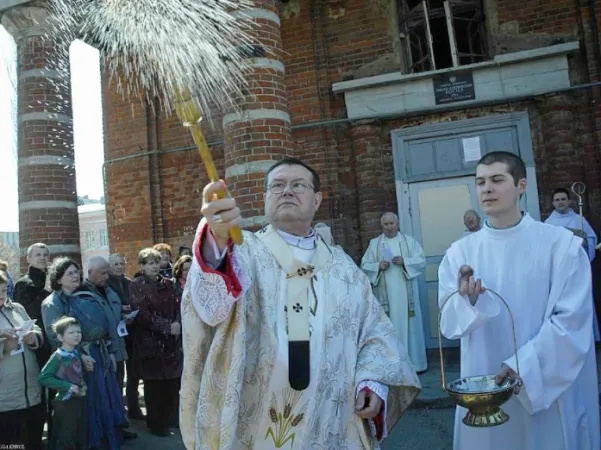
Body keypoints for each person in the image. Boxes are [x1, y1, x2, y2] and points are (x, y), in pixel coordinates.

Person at [180, 157, 421, 449]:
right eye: (277, 185)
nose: (287, 191)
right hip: (254, 418)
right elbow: (210, 307)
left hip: (331, 418)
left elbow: (374, 332)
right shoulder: (242, 252)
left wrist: (372, 381)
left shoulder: (343, 268)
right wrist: (215, 240)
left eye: (298, 185)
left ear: (317, 199)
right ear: (265, 197)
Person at [438, 151, 599, 450]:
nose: (487, 189)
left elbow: (572, 320)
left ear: (521, 185)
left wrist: (523, 366)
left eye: (497, 180)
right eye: (481, 182)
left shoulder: (561, 247)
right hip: (482, 380)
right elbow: (449, 325)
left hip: (545, 382)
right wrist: (468, 303)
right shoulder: (459, 254)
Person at [42, 257, 127, 449]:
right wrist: (80, 355)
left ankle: (102, 439)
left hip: (98, 355)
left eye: (76, 272)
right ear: (59, 278)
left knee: (101, 401)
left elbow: (102, 327)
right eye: (70, 273)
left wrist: (110, 352)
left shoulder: (84, 295)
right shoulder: (53, 303)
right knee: (81, 406)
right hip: (72, 363)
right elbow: (56, 338)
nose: (76, 276)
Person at [361, 212, 428, 372]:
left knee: (410, 328)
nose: (389, 227)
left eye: (392, 223)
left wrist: (406, 262)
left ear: (397, 224)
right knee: (389, 327)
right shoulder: (375, 244)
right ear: (381, 226)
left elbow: (421, 261)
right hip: (387, 298)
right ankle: (394, 364)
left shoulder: (409, 242)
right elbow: (365, 264)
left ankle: (414, 364)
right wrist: (378, 266)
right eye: (386, 224)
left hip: (407, 296)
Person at [129, 248, 182, 437]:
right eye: (149, 263)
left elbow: (178, 305)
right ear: (142, 266)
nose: (154, 266)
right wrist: (168, 327)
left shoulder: (169, 284)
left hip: (171, 343)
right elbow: (142, 314)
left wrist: (177, 323)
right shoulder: (136, 285)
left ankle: (170, 421)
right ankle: (156, 425)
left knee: (171, 384)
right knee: (153, 387)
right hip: (149, 342)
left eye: (156, 262)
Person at [0, 270, 45, 449]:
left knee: (34, 442)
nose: (1, 295)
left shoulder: (17, 308)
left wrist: (33, 337)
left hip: (32, 393)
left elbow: (37, 330)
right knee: (12, 445)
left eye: (3, 290)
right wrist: (4, 347)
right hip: (6, 402)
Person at [38, 316, 88, 450]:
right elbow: (43, 377)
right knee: (65, 436)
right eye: (71, 332)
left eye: (79, 332)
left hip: (77, 399)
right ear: (60, 337)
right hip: (65, 402)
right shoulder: (58, 356)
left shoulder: (75, 352)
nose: (77, 335)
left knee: (77, 433)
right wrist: (68, 386)